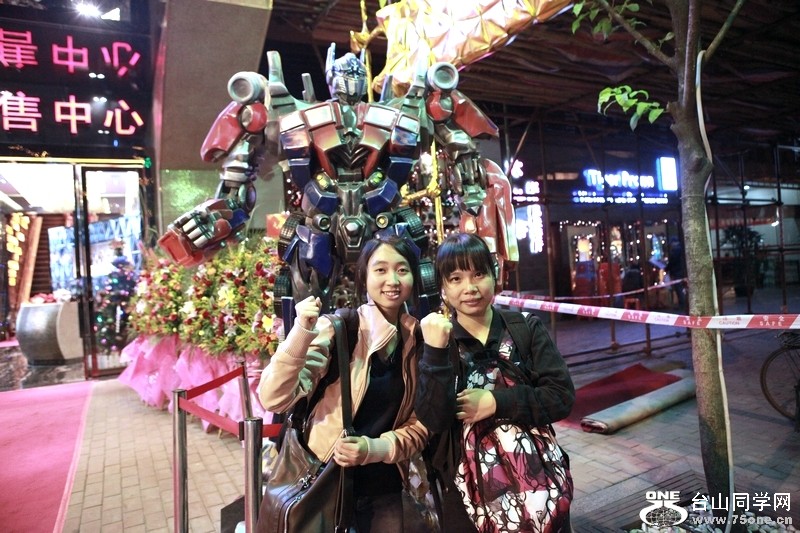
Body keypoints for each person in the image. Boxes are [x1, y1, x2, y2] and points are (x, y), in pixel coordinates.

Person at [257, 234, 429, 532]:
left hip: (383, 489)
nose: (392, 280)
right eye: (380, 269)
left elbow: (421, 423)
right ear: (364, 277)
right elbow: (274, 398)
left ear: (415, 277)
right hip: (323, 479)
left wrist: (375, 448)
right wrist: (301, 332)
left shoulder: (419, 340)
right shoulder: (339, 330)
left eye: (402, 270)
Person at [416, 233, 576, 533]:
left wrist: (495, 402)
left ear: (494, 275)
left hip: (539, 486)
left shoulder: (524, 328)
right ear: (443, 288)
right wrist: (435, 353)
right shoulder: (438, 341)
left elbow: (561, 396)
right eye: (456, 278)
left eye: (479, 274)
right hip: (466, 497)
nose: (470, 288)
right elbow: (433, 419)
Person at [665, 236, 687, 311]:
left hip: (677, 272)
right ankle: (682, 304)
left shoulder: (676, 251)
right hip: (680, 271)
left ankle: (682, 305)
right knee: (680, 288)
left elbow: (672, 262)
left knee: (679, 289)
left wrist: (667, 268)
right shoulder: (680, 250)